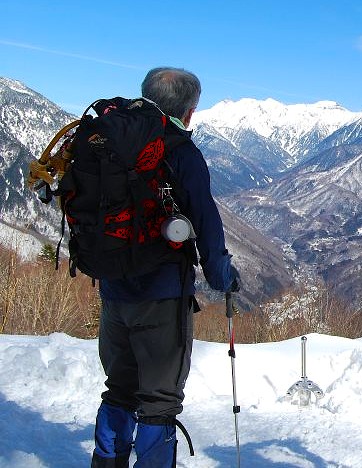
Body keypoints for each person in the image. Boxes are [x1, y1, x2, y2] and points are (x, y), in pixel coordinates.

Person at [92, 67, 240, 468]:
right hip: (162, 295)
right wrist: (222, 275)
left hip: (113, 289)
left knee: (119, 389)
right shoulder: (180, 151)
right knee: (158, 402)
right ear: (189, 112)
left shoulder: (109, 141)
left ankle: (106, 462)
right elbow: (206, 221)